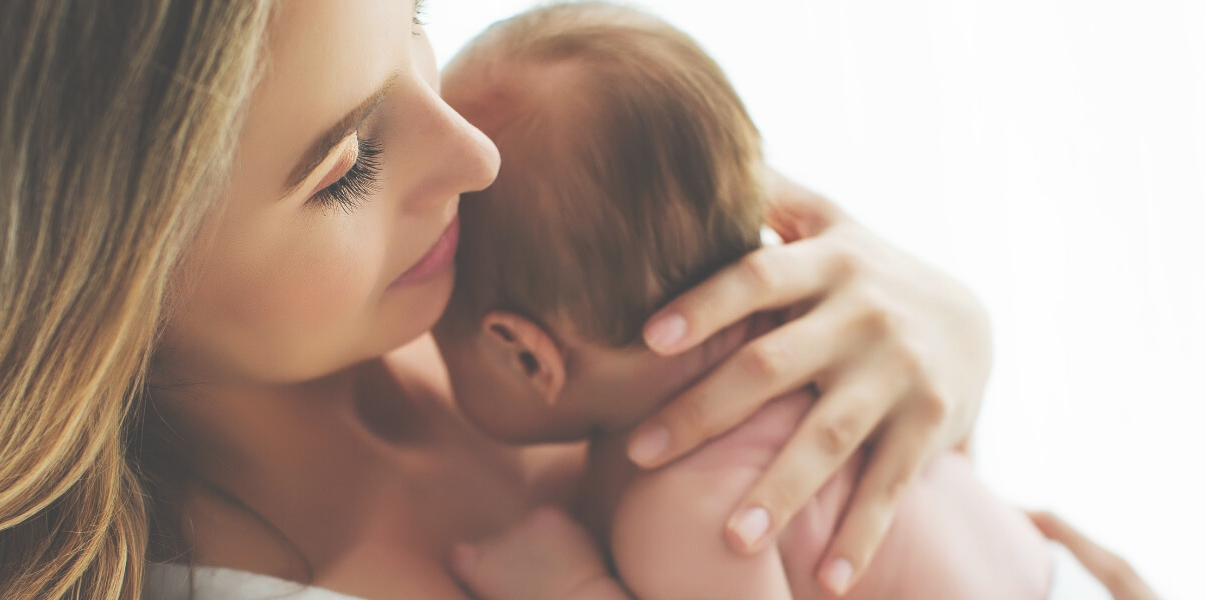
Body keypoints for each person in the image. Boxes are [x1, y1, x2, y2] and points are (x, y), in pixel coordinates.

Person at [0, 1, 1000, 598]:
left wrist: (945, 338)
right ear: (84, 296)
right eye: (346, 167)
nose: (475, 156)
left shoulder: (490, 233)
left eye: (416, 25)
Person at [430, 4, 1052, 599]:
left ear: (526, 356)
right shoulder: (829, 332)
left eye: (437, 315)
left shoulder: (682, 515)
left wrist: (566, 588)